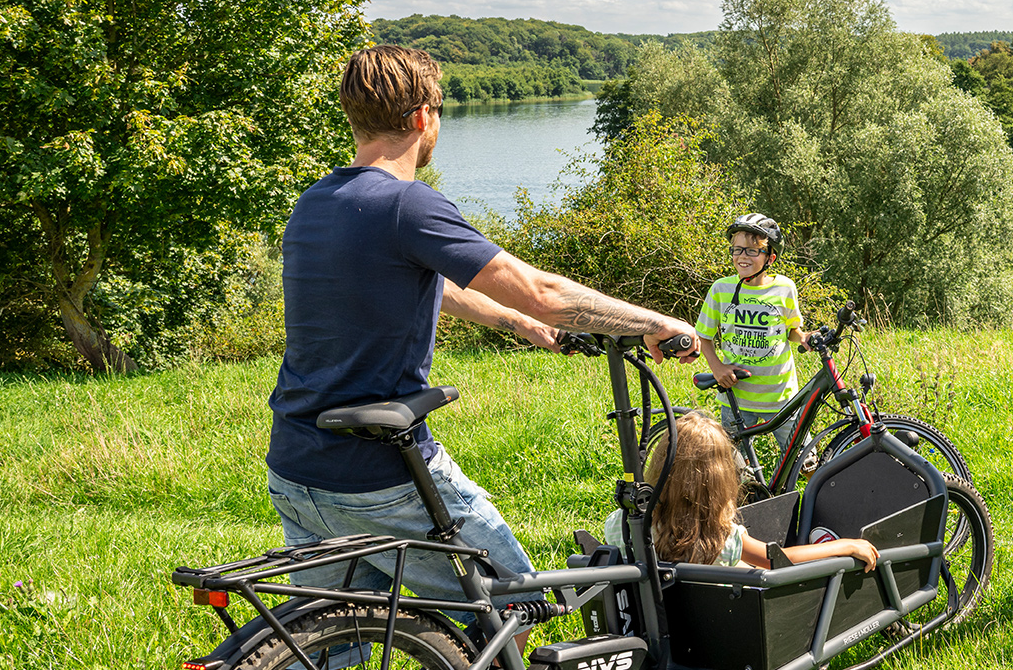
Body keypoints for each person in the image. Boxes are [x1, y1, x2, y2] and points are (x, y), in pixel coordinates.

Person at [263, 45, 699, 654]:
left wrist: (514, 322)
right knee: (515, 596)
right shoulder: (406, 203)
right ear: (423, 119)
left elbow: (423, 279)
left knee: (321, 644)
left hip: (299, 465)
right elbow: (544, 291)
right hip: (379, 476)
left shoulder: (319, 202)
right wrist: (651, 321)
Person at [606, 411, 879, 569]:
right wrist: (844, 545)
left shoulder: (620, 524)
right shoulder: (720, 538)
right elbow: (778, 561)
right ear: (720, 478)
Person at [695, 214, 808, 456]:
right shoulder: (721, 289)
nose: (742, 257)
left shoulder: (784, 288)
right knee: (734, 468)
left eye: (752, 251)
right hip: (736, 397)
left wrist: (804, 338)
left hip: (780, 396)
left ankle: (811, 495)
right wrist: (717, 368)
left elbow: (791, 331)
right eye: (737, 250)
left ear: (770, 257)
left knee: (804, 460)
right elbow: (703, 335)